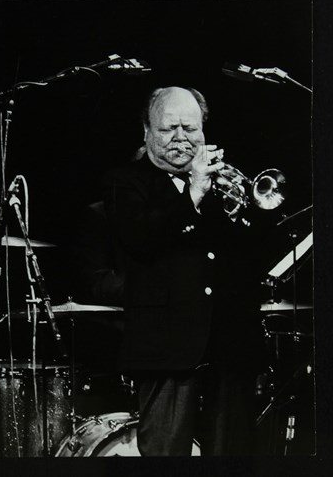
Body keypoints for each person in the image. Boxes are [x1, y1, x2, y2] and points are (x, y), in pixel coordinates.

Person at [102, 86, 270, 455]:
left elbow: (256, 252)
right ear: (146, 131)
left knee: (233, 455)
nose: (181, 138)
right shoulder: (125, 181)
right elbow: (140, 239)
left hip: (229, 346)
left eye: (191, 129)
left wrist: (244, 213)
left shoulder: (219, 182)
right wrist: (193, 191)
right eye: (168, 128)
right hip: (166, 348)